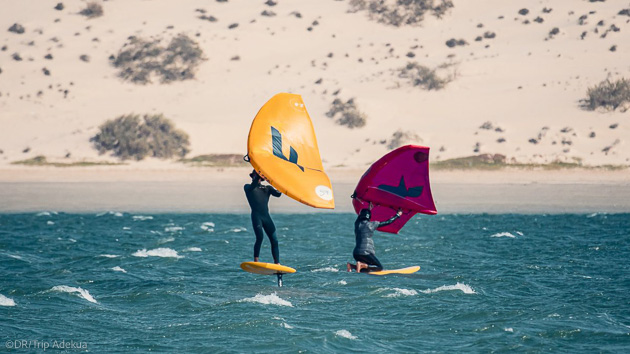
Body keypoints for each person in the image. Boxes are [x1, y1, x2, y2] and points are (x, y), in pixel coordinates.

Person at [347, 204, 402, 273]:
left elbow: (360, 216)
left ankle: (352, 266)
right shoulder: (371, 225)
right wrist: (397, 215)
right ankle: (361, 264)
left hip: (356, 253)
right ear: (369, 217)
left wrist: (368, 209)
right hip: (365, 252)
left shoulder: (357, 224)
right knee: (379, 267)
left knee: (364, 271)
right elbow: (388, 222)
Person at [244, 170, 282, 264]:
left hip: (266, 217)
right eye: (253, 175)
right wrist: (258, 173)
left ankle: (277, 263)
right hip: (257, 217)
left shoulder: (267, 188)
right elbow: (254, 184)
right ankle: (256, 261)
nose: (254, 177)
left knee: (274, 240)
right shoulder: (248, 187)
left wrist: (280, 183)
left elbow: (278, 194)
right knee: (260, 237)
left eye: (256, 175)